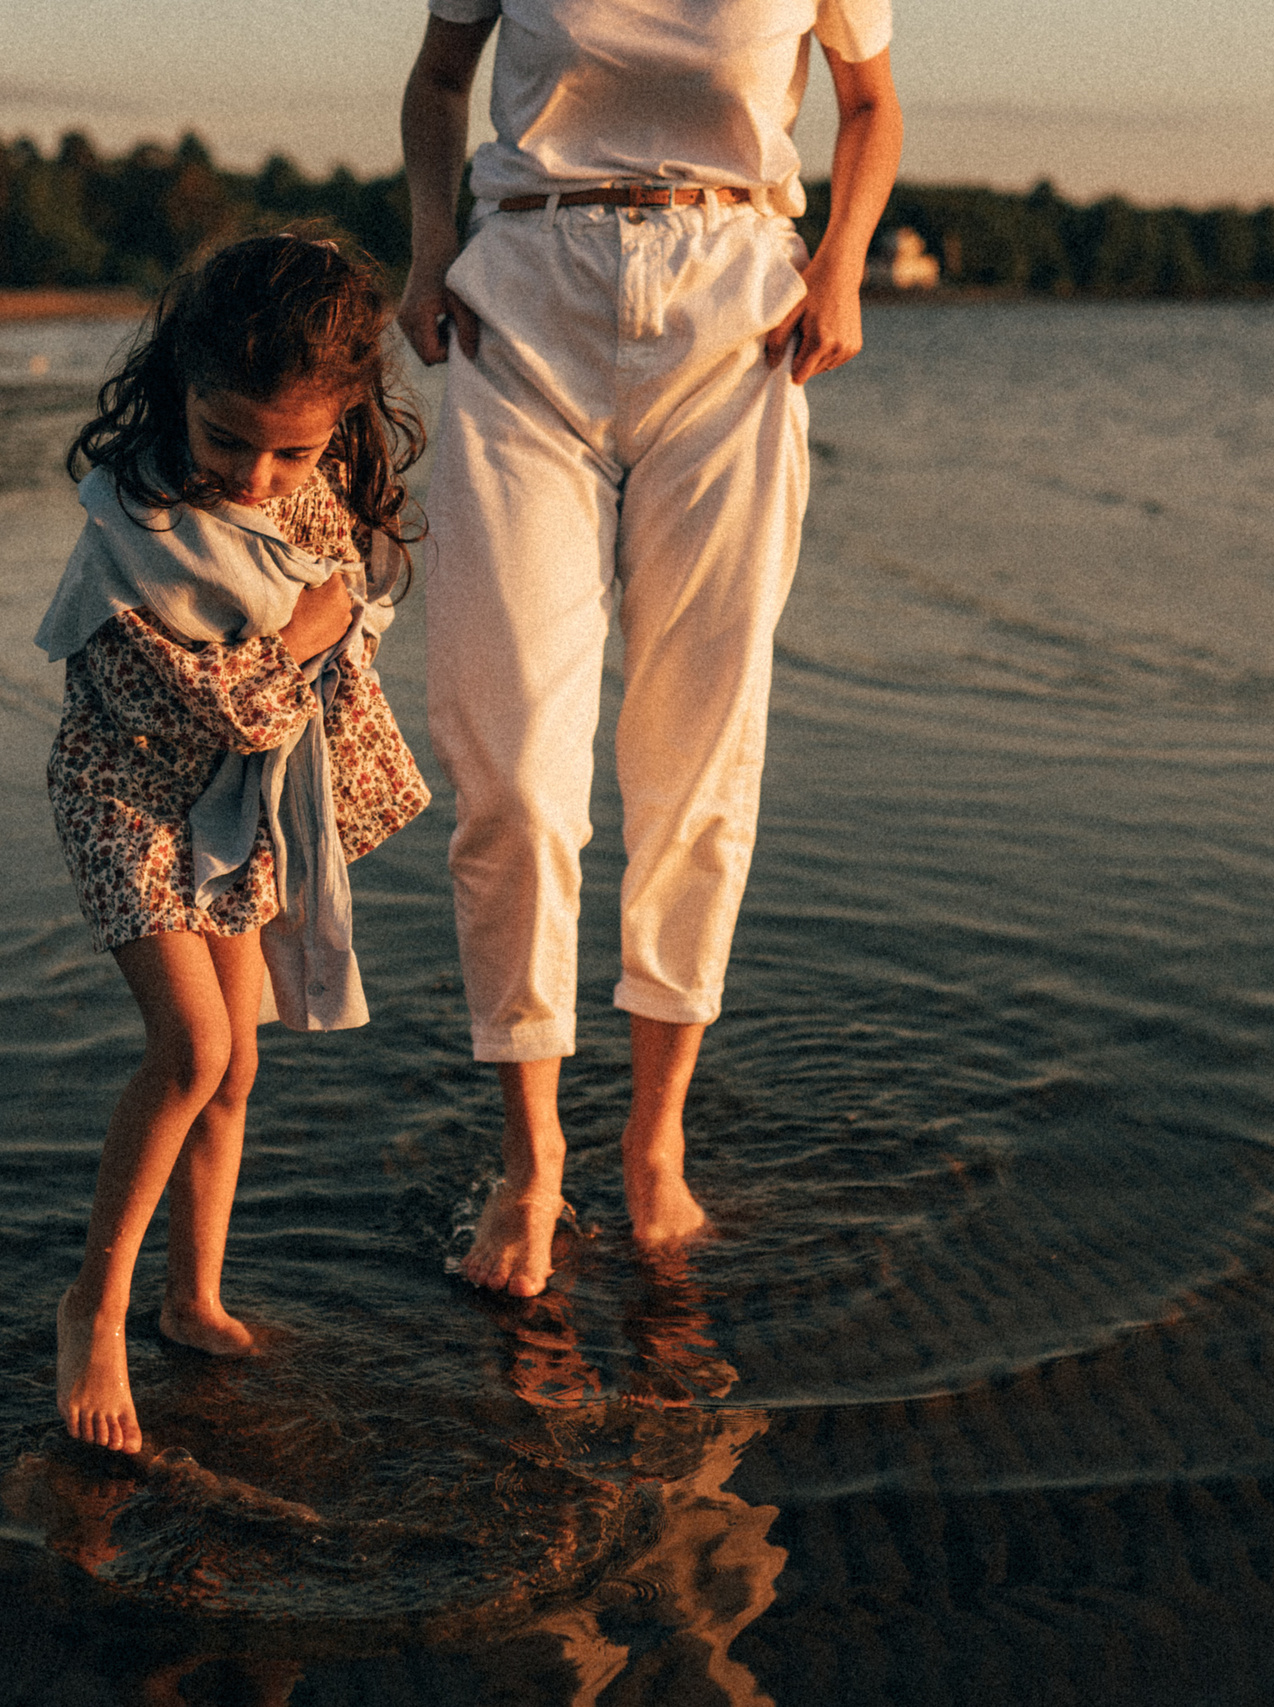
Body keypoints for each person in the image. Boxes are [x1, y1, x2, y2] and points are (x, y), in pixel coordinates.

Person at [396, 0, 904, 1297]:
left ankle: (653, 1138)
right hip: (525, 304)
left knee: (699, 752)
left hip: (734, 317)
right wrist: (426, 246)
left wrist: (842, 257)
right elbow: (440, 75)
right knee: (509, 765)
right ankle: (529, 1162)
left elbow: (869, 106)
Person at [38, 233, 433, 1453]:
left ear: (344, 418)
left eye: (295, 449)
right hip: (127, 797)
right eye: (227, 439)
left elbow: (341, 618)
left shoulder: (302, 488)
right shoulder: (141, 520)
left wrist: (323, 627)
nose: (257, 476)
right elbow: (251, 696)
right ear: (178, 389)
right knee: (189, 1046)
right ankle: (92, 1312)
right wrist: (314, 631)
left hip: (232, 799)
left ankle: (189, 1293)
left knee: (240, 1061)